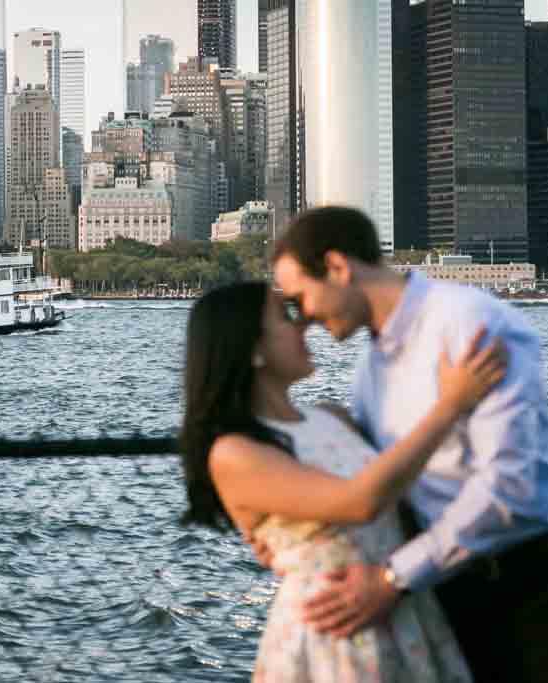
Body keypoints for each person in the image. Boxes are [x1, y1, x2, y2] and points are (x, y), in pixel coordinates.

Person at [257, 206, 548, 683]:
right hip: (449, 587)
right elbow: (388, 483)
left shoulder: (465, 321)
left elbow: (509, 486)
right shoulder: (370, 370)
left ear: (339, 268)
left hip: (539, 585)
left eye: (301, 296)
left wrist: (392, 579)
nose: (302, 317)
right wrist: (291, 531)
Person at [180, 280, 506, 681]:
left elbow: (400, 484)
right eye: (286, 317)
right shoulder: (234, 452)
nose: (305, 325)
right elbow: (361, 500)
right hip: (336, 629)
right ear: (254, 349)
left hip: (398, 601)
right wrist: (452, 404)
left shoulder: (331, 417)